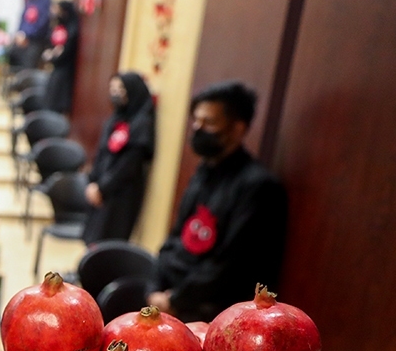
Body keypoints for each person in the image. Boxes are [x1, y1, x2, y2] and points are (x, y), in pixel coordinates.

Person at [148, 81, 287, 322]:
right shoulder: (203, 172)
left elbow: (232, 266)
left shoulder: (258, 187)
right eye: (196, 121)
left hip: (213, 311)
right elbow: (176, 238)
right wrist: (154, 287)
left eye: (209, 123)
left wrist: (176, 300)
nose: (198, 129)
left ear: (237, 129)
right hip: (169, 297)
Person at [83, 72, 156, 245]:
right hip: (100, 188)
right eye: (112, 89)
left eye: (120, 89)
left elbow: (129, 164)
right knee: (92, 239)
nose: (115, 94)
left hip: (120, 193)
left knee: (107, 243)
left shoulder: (141, 123)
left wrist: (103, 188)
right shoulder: (116, 117)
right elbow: (102, 153)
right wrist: (93, 182)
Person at [42, 1, 81, 115]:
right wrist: (51, 52)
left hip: (65, 69)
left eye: (57, 10)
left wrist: (55, 55)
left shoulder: (72, 27)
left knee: (57, 100)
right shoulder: (58, 26)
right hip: (55, 67)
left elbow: (66, 50)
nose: (54, 13)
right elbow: (51, 43)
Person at [9, 0, 52, 69]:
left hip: (36, 41)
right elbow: (23, 19)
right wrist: (20, 33)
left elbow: (43, 22)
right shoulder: (29, 0)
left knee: (29, 66)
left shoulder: (45, 2)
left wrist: (27, 35)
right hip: (22, 40)